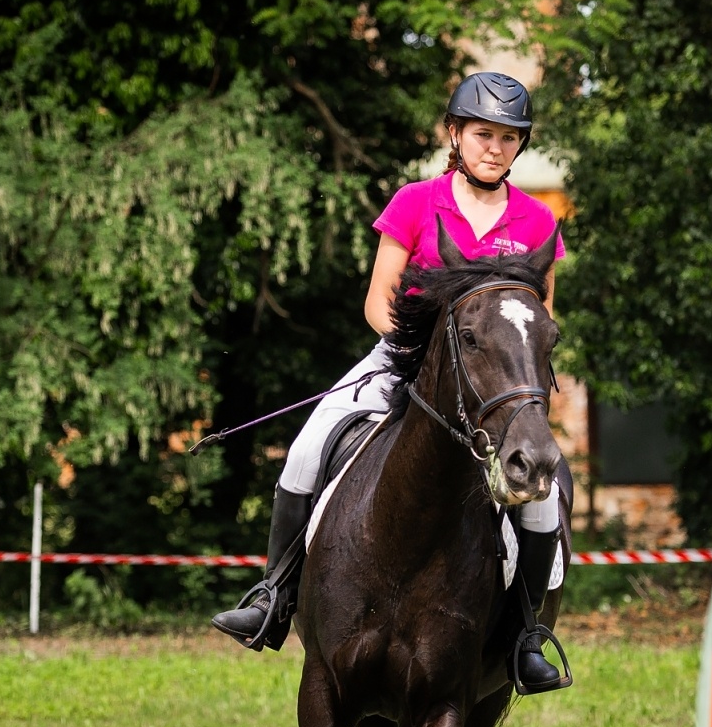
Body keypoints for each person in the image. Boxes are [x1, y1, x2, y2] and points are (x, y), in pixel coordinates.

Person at [212, 71, 570, 692]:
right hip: (403, 363)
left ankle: (526, 636)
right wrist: (415, 352)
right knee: (305, 449)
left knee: (540, 496)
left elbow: (539, 317)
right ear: (455, 135)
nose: (496, 148)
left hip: (491, 386)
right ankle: (274, 594)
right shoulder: (414, 202)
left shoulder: (538, 221)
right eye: (483, 134)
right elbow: (379, 300)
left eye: (509, 138)